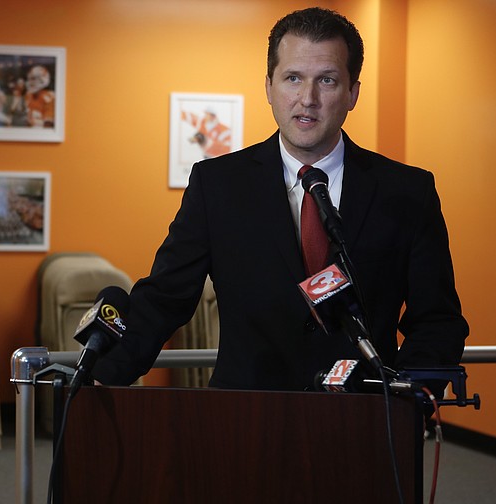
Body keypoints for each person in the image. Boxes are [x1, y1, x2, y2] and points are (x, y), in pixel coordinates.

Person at [93, 7, 468, 395]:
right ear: (269, 87)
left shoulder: (407, 192)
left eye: (327, 80)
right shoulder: (217, 185)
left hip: (367, 424)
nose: (308, 99)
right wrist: (100, 379)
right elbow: (164, 299)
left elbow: (436, 319)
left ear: (353, 92)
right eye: (293, 78)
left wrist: (412, 398)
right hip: (245, 423)